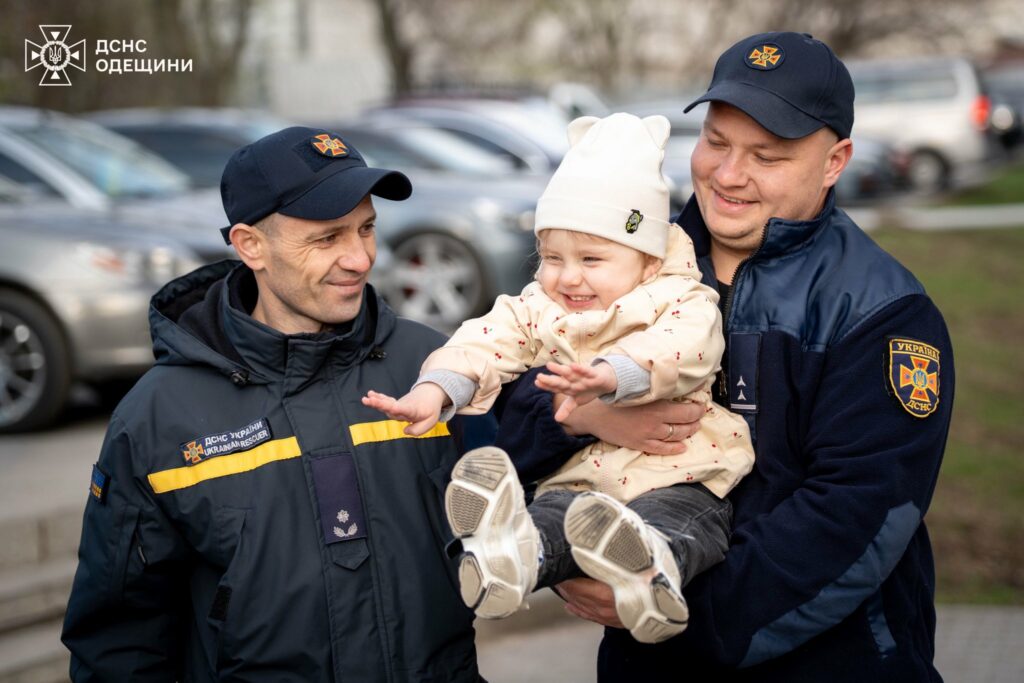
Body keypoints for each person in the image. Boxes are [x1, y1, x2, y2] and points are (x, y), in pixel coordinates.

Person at [495, 32, 955, 681]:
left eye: (767, 155)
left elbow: (857, 517)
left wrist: (667, 604)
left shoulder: (883, 312)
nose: (729, 174)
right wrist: (579, 418)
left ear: (834, 161)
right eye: (716, 141)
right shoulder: (616, 261)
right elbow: (506, 410)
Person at [61, 127, 484, 681]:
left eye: (367, 228)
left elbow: (534, 501)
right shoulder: (159, 417)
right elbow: (118, 643)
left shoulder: (437, 368)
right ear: (250, 245)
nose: (360, 258)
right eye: (328, 238)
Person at [363, 112, 754, 644]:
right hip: (584, 484)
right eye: (550, 257)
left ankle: (651, 575)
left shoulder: (681, 298)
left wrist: (611, 376)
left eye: (592, 258)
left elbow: (684, 349)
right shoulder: (540, 305)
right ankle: (511, 559)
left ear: (646, 260)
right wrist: (438, 389)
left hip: (679, 473)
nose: (568, 276)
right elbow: (485, 339)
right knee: (555, 520)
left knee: (684, 523)